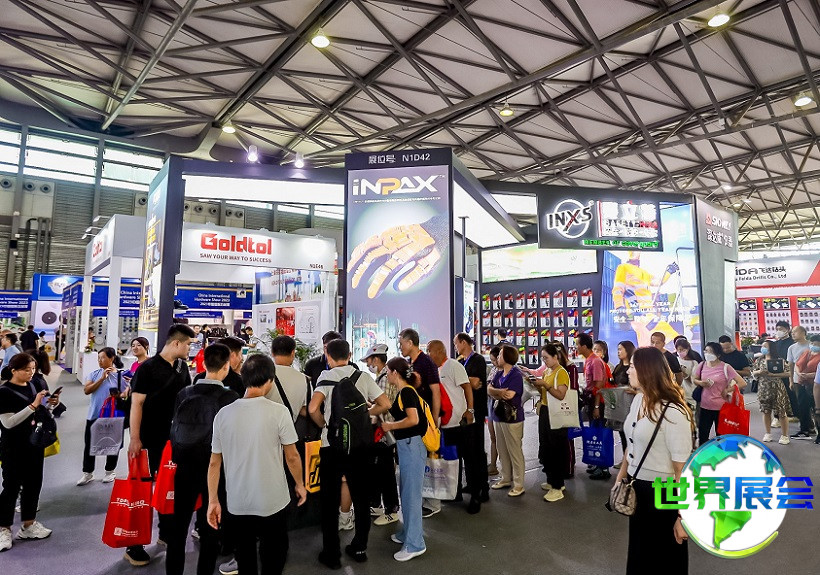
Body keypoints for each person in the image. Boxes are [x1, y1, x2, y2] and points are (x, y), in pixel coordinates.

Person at [207, 354, 306, 575]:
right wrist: (300, 484)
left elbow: (214, 463)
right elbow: (292, 457)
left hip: (238, 501)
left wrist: (213, 499)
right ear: (270, 380)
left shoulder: (223, 414)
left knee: (245, 556)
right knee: (274, 554)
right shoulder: (279, 412)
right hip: (273, 500)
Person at [308, 339, 390, 569]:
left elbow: (313, 408)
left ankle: (331, 554)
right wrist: (366, 414)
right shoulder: (362, 376)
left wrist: (324, 424)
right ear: (350, 354)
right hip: (359, 446)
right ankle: (359, 547)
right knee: (361, 497)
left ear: (328, 356)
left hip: (331, 446)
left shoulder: (325, 377)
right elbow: (385, 403)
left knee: (329, 500)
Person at [617, 346, 694, 575]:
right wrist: (621, 477)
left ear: (646, 370)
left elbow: (683, 470)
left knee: (664, 558)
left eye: (632, 366)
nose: (628, 371)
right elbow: (631, 443)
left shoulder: (674, 411)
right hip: (637, 488)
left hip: (664, 492)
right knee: (640, 555)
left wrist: (683, 517)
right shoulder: (638, 400)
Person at [126, 324, 195, 567]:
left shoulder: (182, 367)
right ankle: (134, 544)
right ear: (176, 343)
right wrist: (135, 438)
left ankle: (165, 532)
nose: (190, 348)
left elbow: (185, 399)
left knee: (169, 487)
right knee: (142, 491)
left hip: (173, 440)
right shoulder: (147, 369)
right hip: (147, 439)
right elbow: (136, 404)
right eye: (188, 344)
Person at [167, 344, 239, 575]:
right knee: (211, 527)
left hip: (184, 466)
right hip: (215, 471)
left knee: (178, 527)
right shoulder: (230, 397)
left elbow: (174, 428)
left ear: (204, 364)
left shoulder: (184, 394)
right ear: (226, 366)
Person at [0, 353, 60, 551]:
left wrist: (50, 404)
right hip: (13, 447)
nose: (31, 373)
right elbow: (8, 423)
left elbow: (40, 413)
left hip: (34, 444)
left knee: (33, 484)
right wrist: (33, 405)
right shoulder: (4, 392)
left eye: (33, 369)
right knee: (11, 487)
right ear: (13, 370)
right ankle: (4, 528)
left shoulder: (34, 385)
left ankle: (28, 524)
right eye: (26, 369)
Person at [378, 357, 428, 562]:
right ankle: (407, 533)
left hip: (412, 446)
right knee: (406, 492)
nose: (386, 375)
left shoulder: (406, 392)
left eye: (387, 372)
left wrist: (391, 426)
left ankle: (415, 544)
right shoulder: (403, 392)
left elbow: (413, 419)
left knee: (411, 496)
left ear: (395, 373)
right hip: (407, 446)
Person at [427, 339, 480, 514]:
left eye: (429, 351)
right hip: (446, 425)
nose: (428, 354)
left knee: (470, 460)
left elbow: (467, 387)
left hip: (462, 423)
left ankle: (475, 497)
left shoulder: (453, 366)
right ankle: (454, 492)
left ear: (439, 351)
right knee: (452, 460)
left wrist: (470, 410)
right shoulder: (437, 370)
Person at [398, 329, 442, 517]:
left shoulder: (426, 362)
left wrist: (434, 420)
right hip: (416, 422)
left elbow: (436, 392)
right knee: (420, 462)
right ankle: (424, 499)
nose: (400, 346)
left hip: (427, 421)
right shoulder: (411, 363)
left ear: (410, 343)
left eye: (401, 343)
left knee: (431, 461)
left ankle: (433, 503)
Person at [361, 343, 400, 526]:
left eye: (369, 361)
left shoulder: (384, 378)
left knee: (386, 472)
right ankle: (376, 505)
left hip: (385, 432)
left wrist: (366, 411)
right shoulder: (381, 377)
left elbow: (385, 406)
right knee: (378, 470)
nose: (368, 365)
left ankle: (392, 509)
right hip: (383, 431)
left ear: (376, 359)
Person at [78, 347, 126, 486]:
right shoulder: (94, 374)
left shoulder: (120, 376)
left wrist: (118, 395)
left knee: (113, 444)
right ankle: (88, 473)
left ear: (112, 358)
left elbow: (126, 394)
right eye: (98, 358)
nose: (100, 360)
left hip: (113, 415)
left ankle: (110, 471)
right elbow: (87, 390)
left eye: (103, 357)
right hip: (94, 414)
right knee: (90, 444)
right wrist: (101, 379)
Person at [454, 332, 490, 504]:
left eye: (456, 343)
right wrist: (466, 381)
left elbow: (476, 382)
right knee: (467, 450)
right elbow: (469, 382)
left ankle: (483, 487)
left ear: (463, 342)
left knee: (477, 450)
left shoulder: (478, 360)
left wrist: (462, 380)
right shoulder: (461, 362)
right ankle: (471, 483)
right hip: (464, 413)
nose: (455, 347)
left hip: (477, 411)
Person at [533, 343, 571, 502]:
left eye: (547, 358)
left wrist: (545, 385)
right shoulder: (547, 371)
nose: (545, 361)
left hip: (556, 413)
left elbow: (561, 395)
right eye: (543, 358)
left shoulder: (561, 372)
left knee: (556, 449)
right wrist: (536, 384)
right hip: (545, 410)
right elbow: (544, 392)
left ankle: (558, 485)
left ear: (556, 357)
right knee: (546, 446)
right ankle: (551, 480)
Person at [691, 341, 746, 446]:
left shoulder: (725, 367)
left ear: (718, 355)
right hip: (704, 406)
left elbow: (742, 383)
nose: (707, 354)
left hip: (722, 407)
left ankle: (722, 454)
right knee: (703, 435)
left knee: (721, 436)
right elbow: (695, 379)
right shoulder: (702, 365)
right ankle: (704, 454)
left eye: (710, 352)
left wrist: (727, 390)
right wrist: (701, 383)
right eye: (706, 351)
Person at [488, 345, 525, 497]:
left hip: (512, 417)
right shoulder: (499, 373)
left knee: (514, 451)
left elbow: (509, 395)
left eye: (501, 354)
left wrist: (495, 392)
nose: (498, 357)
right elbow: (489, 389)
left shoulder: (516, 374)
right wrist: (498, 392)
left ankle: (519, 484)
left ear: (508, 357)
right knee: (502, 449)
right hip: (498, 415)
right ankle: (506, 478)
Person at [753, 341, 792, 444]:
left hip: (777, 388)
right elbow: (753, 372)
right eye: (762, 346)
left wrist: (775, 375)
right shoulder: (759, 360)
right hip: (763, 388)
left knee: (781, 412)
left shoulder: (780, 360)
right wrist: (759, 372)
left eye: (765, 346)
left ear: (771, 348)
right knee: (766, 411)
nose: (763, 348)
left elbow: (789, 373)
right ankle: (768, 433)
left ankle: (784, 435)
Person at [266, 336, 308, 423]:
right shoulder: (304, 379)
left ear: (272, 352)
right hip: (289, 428)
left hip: (265, 426)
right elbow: (305, 409)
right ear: (293, 353)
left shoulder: (263, 375)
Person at [787, 326, 814, 438]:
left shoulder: (811, 345)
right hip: (798, 380)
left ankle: (813, 427)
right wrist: (791, 380)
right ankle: (804, 429)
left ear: (803, 332)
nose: (793, 334)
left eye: (795, 332)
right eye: (792, 332)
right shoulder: (791, 348)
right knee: (802, 405)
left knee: (814, 404)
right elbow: (791, 365)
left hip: (813, 379)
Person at [793, 334, 820, 440]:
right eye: (812, 343)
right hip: (803, 384)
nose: (812, 345)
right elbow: (797, 364)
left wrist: (810, 375)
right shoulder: (807, 352)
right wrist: (799, 373)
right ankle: (804, 430)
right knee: (803, 408)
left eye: (815, 344)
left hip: (815, 385)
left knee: (816, 409)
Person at [486, 346, 501, 477]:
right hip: (491, 405)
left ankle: (507, 468)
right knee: (493, 437)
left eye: (494, 360)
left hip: (501, 408)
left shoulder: (508, 371)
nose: (493, 363)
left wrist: (492, 390)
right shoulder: (494, 370)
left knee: (502, 439)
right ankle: (493, 464)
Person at [675, 339, 699, 412]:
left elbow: (694, 380)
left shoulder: (693, 363)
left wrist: (682, 373)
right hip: (677, 393)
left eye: (682, 350)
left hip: (689, 394)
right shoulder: (675, 360)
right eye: (678, 350)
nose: (680, 352)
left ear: (688, 348)